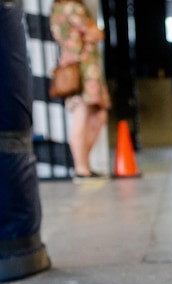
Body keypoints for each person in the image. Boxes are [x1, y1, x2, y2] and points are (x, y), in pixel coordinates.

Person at [49, 0, 111, 182]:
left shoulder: (57, 8)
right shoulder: (72, 7)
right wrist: (96, 32)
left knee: (97, 117)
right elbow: (95, 34)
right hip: (81, 68)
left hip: (81, 66)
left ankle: (82, 165)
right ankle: (81, 168)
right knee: (82, 117)